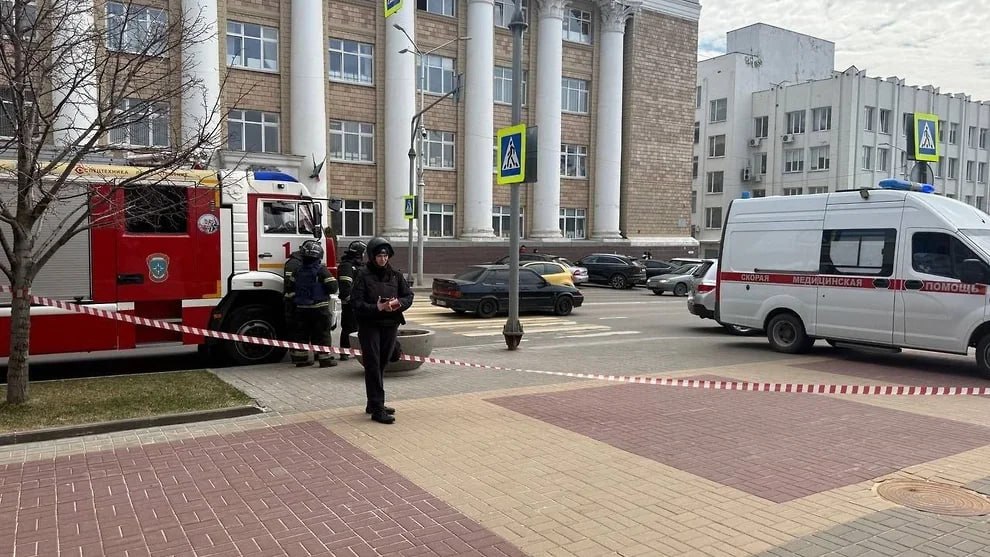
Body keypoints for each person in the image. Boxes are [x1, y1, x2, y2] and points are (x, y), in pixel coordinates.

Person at [350, 237, 413, 424]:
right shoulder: (363, 275)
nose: (383, 259)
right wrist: (376, 307)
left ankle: (373, 403)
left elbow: (408, 295)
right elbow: (356, 302)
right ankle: (377, 408)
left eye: (385, 255)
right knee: (373, 364)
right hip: (370, 325)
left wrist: (397, 304)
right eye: (379, 255)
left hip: (390, 324)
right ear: (372, 256)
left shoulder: (395, 275)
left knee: (382, 363)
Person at [283, 240, 339, 367]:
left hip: (301, 309)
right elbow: (333, 287)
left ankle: (301, 359)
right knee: (322, 334)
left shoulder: (297, 270)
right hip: (319, 309)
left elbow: (289, 287)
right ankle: (325, 359)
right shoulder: (321, 270)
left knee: (301, 334)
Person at [336, 240, 367, 361]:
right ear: (359, 253)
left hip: (358, 302)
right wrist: (351, 300)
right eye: (363, 253)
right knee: (348, 328)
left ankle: (356, 350)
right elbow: (345, 286)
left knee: (358, 327)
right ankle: (344, 352)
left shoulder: (358, 265)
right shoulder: (347, 266)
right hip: (350, 303)